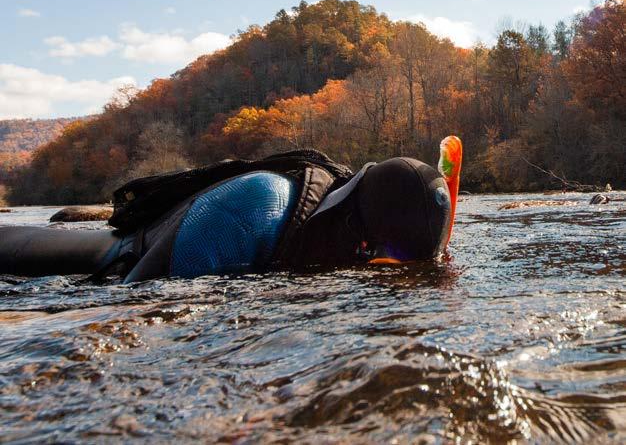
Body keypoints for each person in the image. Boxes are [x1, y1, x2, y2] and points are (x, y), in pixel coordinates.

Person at [0, 137, 462, 282]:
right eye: (383, 262)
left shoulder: (347, 227)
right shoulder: (255, 208)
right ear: (354, 222)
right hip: (112, 258)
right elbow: (137, 299)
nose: (377, 270)